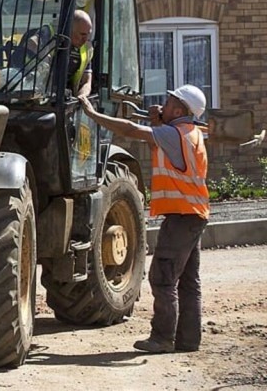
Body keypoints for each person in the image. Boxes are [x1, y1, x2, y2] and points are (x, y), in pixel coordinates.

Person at [79, 84, 209, 354]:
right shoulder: (189, 133)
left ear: (179, 109)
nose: (164, 103)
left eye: (169, 101)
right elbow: (156, 139)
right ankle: (188, 340)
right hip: (193, 215)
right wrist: (156, 121)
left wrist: (92, 114)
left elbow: (130, 129)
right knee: (187, 280)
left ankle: (162, 338)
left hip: (182, 217)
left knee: (163, 278)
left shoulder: (175, 134)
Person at [67, 9, 93, 97]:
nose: (85, 40)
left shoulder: (87, 49)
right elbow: (32, 43)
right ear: (70, 30)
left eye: (88, 34)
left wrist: (82, 97)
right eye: (82, 34)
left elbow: (87, 82)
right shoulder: (51, 41)